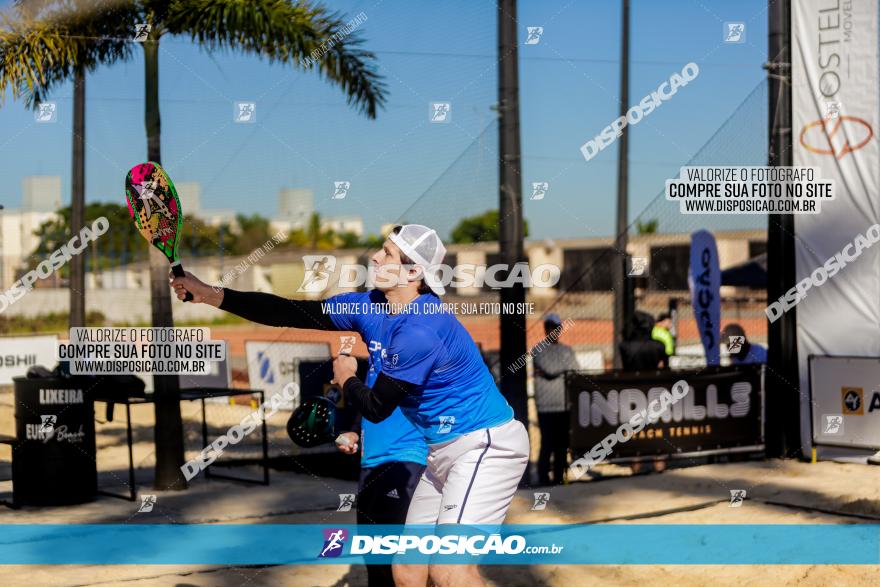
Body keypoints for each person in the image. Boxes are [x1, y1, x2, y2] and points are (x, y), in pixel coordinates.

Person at [171, 224, 529, 587]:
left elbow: (376, 407)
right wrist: (210, 294)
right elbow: (293, 312)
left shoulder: (421, 328)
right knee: (406, 572)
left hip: (485, 445)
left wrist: (346, 375)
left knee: (450, 572)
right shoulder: (369, 306)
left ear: (413, 272)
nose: (375, 256)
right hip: (442, 452)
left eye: (387, 253)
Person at [531, 313, 578, 485]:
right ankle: (543, 479)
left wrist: (556, 372)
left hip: (564, 404)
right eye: (549, 327)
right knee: (547, 444)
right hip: (546, 406)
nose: (552, 330)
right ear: (545, 329)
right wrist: (563, 369)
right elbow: (551, 368)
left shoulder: (567, 350)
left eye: (555, 328)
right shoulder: (538, 350)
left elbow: (575, 370)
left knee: (561, 446)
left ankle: (559, 478)